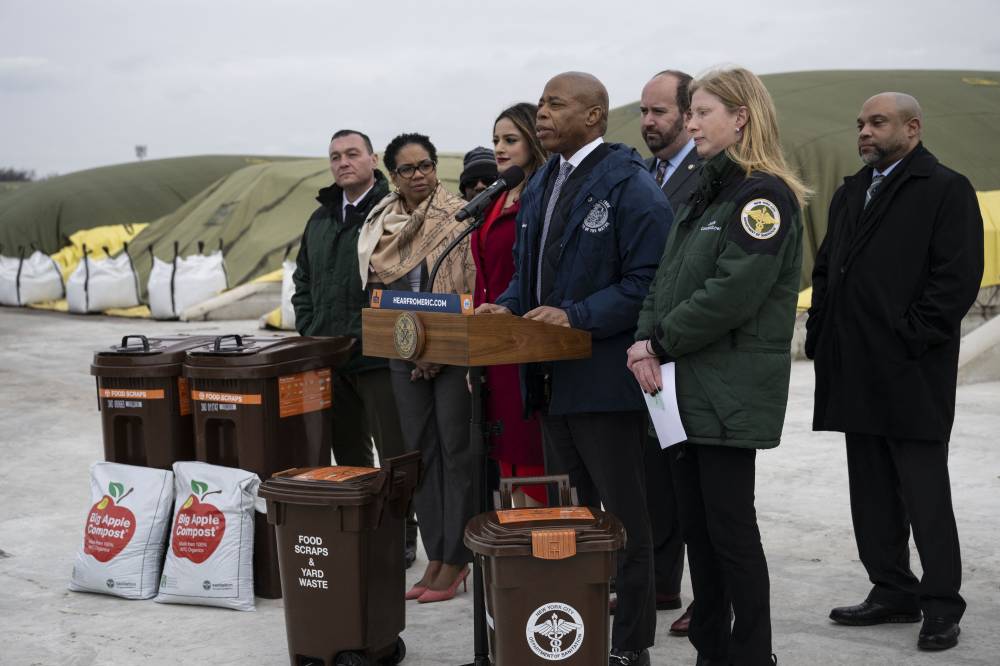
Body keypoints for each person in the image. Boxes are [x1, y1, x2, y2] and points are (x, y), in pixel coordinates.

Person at [478, 71, 670, 666]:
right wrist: (504, 306)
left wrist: (575, 314)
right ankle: (586, 628)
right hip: (550, 383)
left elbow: (648, 285)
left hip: (604, 382)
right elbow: (530, 278)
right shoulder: (540, 184)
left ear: (593, 116)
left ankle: (632, 642)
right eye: (539, 103)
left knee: (625, 523)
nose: (541, 113)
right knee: (579, 520)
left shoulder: (629, 185)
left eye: (554, 104)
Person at [629, 66, 808, 665]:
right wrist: (642, 339)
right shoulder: (709, 189)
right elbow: (664, 281)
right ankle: (712, 646)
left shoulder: (763, 196)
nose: (690, 122)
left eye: (703, 112)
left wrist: (659, 344)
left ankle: (753, 653)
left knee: (730, 533)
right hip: (683, 392)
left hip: (726, 391)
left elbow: (733, 294)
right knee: (698, 533)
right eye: (692, 111)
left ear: (742, 117)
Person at [806, 93, 983, 652]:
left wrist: (911, 335)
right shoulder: (851, 191)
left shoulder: (945, 188)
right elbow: (827, 265)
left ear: (912, 127)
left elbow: (956, 279)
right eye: (860, 123)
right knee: (872, 489)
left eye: (877, 123)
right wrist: (820, 332)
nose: (864, 132)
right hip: (853, 365)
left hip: (912, 371)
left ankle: (940, 606)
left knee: (924, 491)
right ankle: (892, 590)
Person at [358, 132, 477, 604]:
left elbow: (467, 282)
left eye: (426, 165)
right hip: (400, 349)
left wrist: (435, 347)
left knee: (456, 452)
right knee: (421, 454)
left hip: (450, 350)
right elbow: (376, 291)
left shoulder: (457, 215)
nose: (420, 176)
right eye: (407, 169)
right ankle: (436, 553)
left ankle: (458, 557)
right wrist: (410, 347)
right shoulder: (379, 223)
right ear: (393, 176)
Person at [635, 68, 701, 631]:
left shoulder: (711, 176)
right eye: (643, 112)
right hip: (648, 349)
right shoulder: (644, 174)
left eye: (659, 112)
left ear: (687, 112)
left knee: (700, 483)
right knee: (657, 475)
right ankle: (660, 583)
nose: (648, 122)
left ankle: (713, 595)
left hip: (691, 349)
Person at [470, 102, 549, 508]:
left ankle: (541, 547)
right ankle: (514, 545)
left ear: (534, 143)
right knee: (504, 462)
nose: (499, 148)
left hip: (525, 345)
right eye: (495, 140)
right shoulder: (497, 197)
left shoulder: (542, 195)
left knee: (531, 458)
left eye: (510, 140)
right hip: (493, 347)